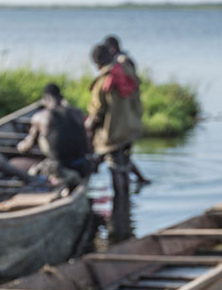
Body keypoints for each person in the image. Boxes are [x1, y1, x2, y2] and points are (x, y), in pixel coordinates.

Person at [86, 43, 143, 240]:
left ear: (97, 62)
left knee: (115, 169)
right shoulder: (126, 70)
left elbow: (98, 111)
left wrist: (89, 126)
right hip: (130, 128)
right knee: (124, 166)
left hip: (113, 132)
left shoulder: (104, 80)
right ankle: (125, 207)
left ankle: (119, 209)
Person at [15, 83, 91, 187]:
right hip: (82, 166)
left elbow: (27, 146)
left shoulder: (40, 117)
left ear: (45, 98)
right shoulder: (77, 113)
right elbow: (86, 143)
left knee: (18, 165)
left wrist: (19, 147)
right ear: (60, 96)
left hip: (59, 169)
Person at [102, 35, 151, 186]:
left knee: (118, 156)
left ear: (112, 48)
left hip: (124, 117)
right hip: (129, 115)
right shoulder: (124, 62)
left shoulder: (120, 64)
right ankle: (134, 181)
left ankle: (130, 184)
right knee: (123, 156)